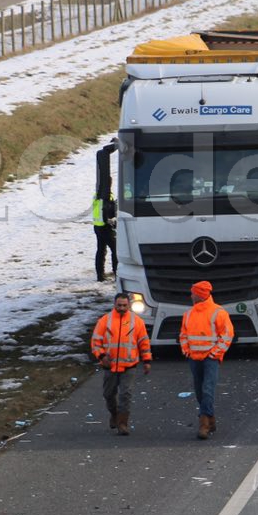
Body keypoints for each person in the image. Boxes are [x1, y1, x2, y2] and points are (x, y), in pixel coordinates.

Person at [90, 292, 151, 436]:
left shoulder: (137, 321)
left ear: (129, 305)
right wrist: (101, 356)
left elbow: (144, 342)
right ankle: (114, 414)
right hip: (110, 366)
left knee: (125, 395)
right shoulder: (105, 321)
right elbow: (95, 341)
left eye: (124, 305)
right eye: (119, 305)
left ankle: (123, 424)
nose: (122, 308)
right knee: (108, 394)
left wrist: (147, 360)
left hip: (129, 366)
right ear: (114, 305)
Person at [179, 280, 234, 440]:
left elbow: (227, 334)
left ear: (199, 295)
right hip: (194, 358)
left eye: (193, 293)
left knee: (207, 389)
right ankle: (210, 419)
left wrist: (215, 353)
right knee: (199, 390)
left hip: (211, 359)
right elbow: (183, 334)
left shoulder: (218, 312)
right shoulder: (188, 314)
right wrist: (187, 351)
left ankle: (203, 424)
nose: (191, 295)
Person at [92, 186, 117, 282]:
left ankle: (100, 275)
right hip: (106, 227)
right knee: (115, 250)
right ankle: (117, 273)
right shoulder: (108, 196)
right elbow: (109, 211)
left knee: (101, 251)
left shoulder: (96, 195)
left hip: (97, 226)